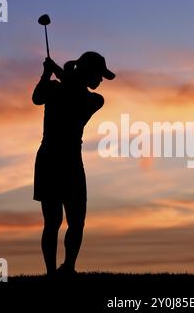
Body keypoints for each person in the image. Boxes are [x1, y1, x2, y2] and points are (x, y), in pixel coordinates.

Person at [32, 51, 115, 278]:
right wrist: (46, 73)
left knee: (77, 220)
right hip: (52, 157)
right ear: (87, 72)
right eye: (98, 75)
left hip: (68, 160)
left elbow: (73, 95)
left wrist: (55, 71)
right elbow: (37, 98)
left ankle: (68, 267)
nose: (100, 81)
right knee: (53, 221)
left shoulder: (93, 100)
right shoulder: (56, 88)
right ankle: (51, 273)